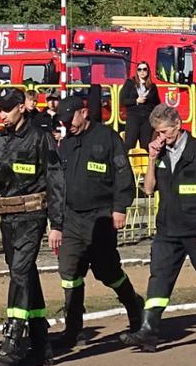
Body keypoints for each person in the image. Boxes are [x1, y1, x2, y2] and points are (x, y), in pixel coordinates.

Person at [123, 104, 196, 350]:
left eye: (165, 131)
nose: (161, 136)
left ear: (178, 125)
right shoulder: (160, 152)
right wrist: (152, 158)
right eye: (157, 132)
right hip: (168, 229)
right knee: (159, 278)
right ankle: (148, 331)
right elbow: (149, 189)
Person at [46, 95, 143, 347]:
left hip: (101, 216)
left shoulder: (107, 137)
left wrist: (120, 208)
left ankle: (134, 306)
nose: (67, 124)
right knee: (69, 272)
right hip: (71, 218)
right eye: (63, 121)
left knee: (107, 271)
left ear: (84, 112)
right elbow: (56, 186)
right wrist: (56, 224)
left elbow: (123, 174)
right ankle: (73, 329)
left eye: (70, 119)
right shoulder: (65, 144)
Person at [0, 89, 54, 366]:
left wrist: (57, 223)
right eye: (0, 108)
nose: (2, 114)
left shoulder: (40, 138)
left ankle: (13, 339)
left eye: (7, 109)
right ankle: (41, 340)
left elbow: (55, 180)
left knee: (20, 271)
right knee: (23, 273)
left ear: (22, 108)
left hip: (33, 215)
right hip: (8, 217)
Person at [119, 62, 162, 150]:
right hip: (133, 116)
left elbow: (157, 103)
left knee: (146, 145)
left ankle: (148, 159)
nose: (142, 72)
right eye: (139, 69)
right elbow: (122, 100)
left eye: (144, 69)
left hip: (147, 118)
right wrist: (136, 101)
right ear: (137, 71)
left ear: (148, 71)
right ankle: (125, 159)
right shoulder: (130, 83)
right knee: (129, 144)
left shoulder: (152, 86)